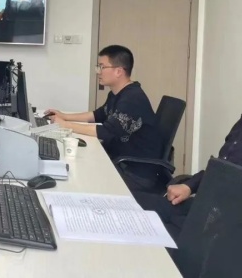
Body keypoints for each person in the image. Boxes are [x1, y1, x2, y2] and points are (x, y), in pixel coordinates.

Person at [136, 76, 242, 239]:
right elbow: (221, 168)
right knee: (133, 203)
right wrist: (189, 186)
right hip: (202, 206)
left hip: (222, 228)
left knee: (142, 233)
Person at [44, 45, 162, 192]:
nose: (98, 72)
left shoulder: (133, 99)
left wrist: (65, 125)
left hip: (134, 173)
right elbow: (97, 115)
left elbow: (106, 132)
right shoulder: (117, 93)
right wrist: (64, 116)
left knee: (77, 178)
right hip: (119, 161)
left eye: (102, 67)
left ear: (118, 71)